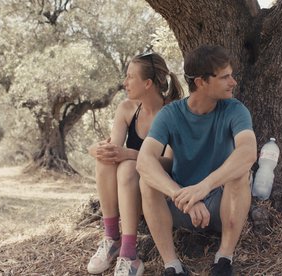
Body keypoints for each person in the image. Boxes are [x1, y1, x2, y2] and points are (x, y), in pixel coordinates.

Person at [136, 45, 257, 276]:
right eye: (225, 77)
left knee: (240, 173)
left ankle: (223, 259)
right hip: (181, 206)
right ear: (201, 82)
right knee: (147, 180)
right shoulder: (170, 114)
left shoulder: (235, 110)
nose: (233, 82)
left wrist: (204, 187)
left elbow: (248, 152)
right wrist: (181, 196)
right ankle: (172, 266)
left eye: (231, 75)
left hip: (222, 206)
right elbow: (144, 161)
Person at [87, 52, 184, 276]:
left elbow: (168, 162)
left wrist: (128, 154)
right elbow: (112, 150)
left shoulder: (174, 112)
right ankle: (112, 238)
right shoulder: (127, 109)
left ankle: (129, 254)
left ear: (148, 83)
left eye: (130, 77)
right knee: (106, 161)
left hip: (159, 188)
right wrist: (95, 149)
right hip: (128, 187)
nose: (125, 82)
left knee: (129, 165)